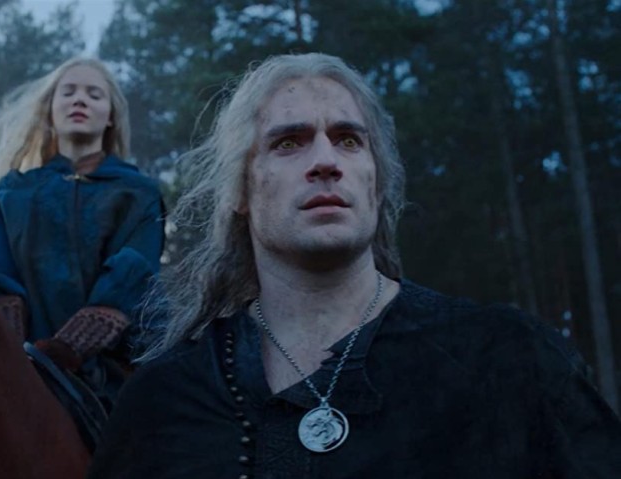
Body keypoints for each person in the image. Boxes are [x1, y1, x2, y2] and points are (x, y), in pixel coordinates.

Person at [87, 53, 621, 478]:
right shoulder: (163, 401)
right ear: (240, 191)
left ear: (376, 181)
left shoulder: (509, 357)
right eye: (289, 142)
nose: (326, 161)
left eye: (348, 140)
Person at [0, 58, 164, 407]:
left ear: (111, 116)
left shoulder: (137, 192)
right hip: (13, 378)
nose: (79, 100)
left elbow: (133, 269)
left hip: (112, 380)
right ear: (50, 110)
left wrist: (68, 348)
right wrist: (15, 358)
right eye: (68, 92)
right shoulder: (15, 192)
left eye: (94, 94)